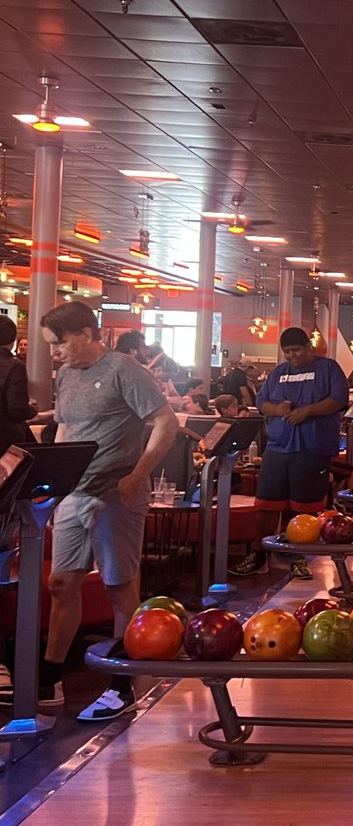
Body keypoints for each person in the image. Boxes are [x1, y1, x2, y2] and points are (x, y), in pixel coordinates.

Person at [21, 301, 178, 721]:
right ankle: (50, 677)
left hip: (117, 492)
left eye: (58, 344)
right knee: (61, 582)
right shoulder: (68, 374)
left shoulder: (124, 370)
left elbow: (167, 422)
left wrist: (137, 473)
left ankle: (123, 681)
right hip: (75, 492)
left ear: (86, 334)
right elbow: (69, 427)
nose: (53, 353)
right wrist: (53, 480)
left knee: (118, 586)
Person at [231, 327, 348, 580]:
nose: (292, 356)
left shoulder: (328, 368)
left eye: (296, 350)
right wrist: (277, 409)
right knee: (267, 504)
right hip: (277, 447)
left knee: (303, 508)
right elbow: (261, 402)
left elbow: (338, 399)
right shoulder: (279, 373)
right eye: (287, 352)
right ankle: (260, 555)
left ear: (308, 346)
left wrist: (307, 411)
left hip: (312, 448)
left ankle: (298, 557)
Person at [0, 315, 36, 447]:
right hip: (5, 438)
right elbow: (17, 409)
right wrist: (33, 410)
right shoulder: (15, 367)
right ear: (14, 339)